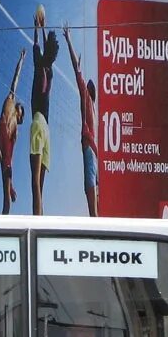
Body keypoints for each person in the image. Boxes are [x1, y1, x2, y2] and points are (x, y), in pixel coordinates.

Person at [0, 48, 26, 214]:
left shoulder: (16, 131)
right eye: (21, 112)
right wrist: (21, 60)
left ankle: (4, 218)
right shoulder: (10, 100)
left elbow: (11, 159)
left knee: (6, 189)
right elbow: (15, 78)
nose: (21, 115)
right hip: (0, 136)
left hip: (6, 145)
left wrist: (12, 185)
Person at [63, 25, 99, 216]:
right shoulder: (92, 107)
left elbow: (75, 68)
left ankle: (95, 221)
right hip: (94, 150)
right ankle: (96, 218)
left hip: (89, 147)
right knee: (94, 190)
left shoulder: (86, 97)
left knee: (90, 186)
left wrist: (68, 40)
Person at [28, 10, 59, 216]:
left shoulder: (40, 66)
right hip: (47, 128)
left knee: (34, 184)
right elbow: (45, 48)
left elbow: (36, 45)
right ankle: (42, 219)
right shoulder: (50, 69)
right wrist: (44, 27)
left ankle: (36, 220)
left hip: (38, 122)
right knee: (41, 186)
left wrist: (38, 28)